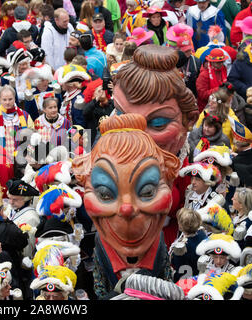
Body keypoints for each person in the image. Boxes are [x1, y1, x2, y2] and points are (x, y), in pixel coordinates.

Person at [72, 113, 181, 299]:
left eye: (147, 191)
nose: (126, 209)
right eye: (105, 194)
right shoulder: (101, 242)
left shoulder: (159, 240)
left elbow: (166, 281)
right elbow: (99, 283)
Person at [110, 44, 199, 249]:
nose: (136, 135)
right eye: (122, 116)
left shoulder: (186, 168)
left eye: (157, 123)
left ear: (189, 120)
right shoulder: (109, 151)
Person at [169, 208, 207, 282]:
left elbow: (180, 269)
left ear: (180, 226)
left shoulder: (181, 248)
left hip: (186, 282)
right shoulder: (201, 232)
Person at [82, 78, 114, 144]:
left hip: (111, 140)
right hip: (96, 142)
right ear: (92, 94)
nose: (101, 92)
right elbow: (85, 112)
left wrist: (115, 91)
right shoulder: (92, 107)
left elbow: (121, 106)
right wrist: (97, 98)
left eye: (102, 89)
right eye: (98, 90)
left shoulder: (111, 104)